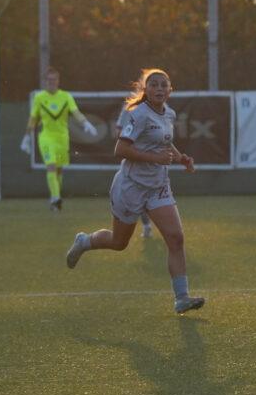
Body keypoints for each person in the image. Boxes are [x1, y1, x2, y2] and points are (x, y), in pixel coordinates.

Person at [65, 68, 205, 315]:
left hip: (158, 186)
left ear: (170, 90)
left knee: (176, 238)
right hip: (131, 186)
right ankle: (85, 241)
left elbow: (165, 142)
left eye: (164, 85)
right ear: (145, 90)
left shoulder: (169, 113)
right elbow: (120, 149)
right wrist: (155, 158)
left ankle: (182, 298)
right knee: (119, 243)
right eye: (154, 85)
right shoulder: (138, 114)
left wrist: (181, 158)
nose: (159, 88)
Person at [27, 67, 94, 210]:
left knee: (58, 170)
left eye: (54, 79)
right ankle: (56, 199)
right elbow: (33, 118)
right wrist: (27, 135)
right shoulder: (39, 97)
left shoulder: (66, 96)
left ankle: (55, 198)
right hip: (46, 137)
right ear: (45, 82)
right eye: (49, 80)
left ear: (58, 81)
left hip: (62, 138)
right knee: (50, 165)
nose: (51, 82)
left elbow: (75, 112)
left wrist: (85, 123)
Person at [116, 105, 152, 239]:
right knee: (141, 195)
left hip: (152, 161)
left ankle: (149, 225)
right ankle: (147, 224)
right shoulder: (129, 107)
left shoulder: (161, 107)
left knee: (147, 195)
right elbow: (119, 131)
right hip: (138, 159)